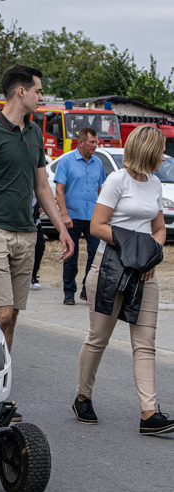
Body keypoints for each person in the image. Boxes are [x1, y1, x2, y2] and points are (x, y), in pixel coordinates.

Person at [0, 65, 74, 420]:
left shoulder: (35, 133)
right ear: (20, 92)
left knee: (12, 318)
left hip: (27, 233)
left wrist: (62, 229)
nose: (42, 97)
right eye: (39, 90)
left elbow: (42, 187)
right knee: (2, 311)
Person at [73, 125, 174, 435]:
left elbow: (159, 229)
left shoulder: (155, 184)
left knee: (145, 344)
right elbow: (97, 226)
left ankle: (148, 413)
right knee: (98, 338)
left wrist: (149, 254)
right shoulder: (117, 181)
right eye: (160, 150)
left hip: (144, 273)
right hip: (109, 268)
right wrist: (133, 248)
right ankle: (83, 397)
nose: (164, 156)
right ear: (147, 151)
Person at [54, 127, 105, 305]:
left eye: (96, 142)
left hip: (93, 217)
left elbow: (101, 189)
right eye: (92, 142)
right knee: (71, 255)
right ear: (81, 142)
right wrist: (64, 214)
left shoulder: (98, 163)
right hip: (72, 217)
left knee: (95, 253)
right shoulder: (67, 161)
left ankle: (86, 290)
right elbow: (59, 190)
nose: (95, 146)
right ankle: (69, 292)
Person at [30, 196, 45, 289]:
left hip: (35, 221)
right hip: (21, 220)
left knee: (39, 246)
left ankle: (33, 275)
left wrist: (42, 203)